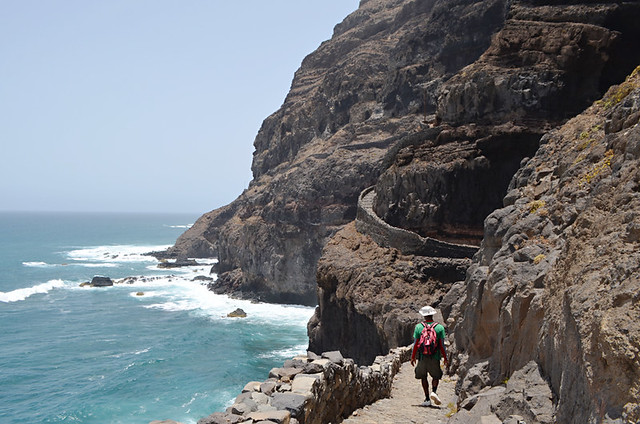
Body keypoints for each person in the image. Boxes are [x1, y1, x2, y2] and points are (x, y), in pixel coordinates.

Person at [410, 305, 449, 407]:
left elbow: (416, 343)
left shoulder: (418, 327)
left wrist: (413, 357)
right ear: (432, 315)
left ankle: (427, 399)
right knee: (436, 376)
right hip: (435, 357)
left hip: (422, 357)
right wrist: (445, 358)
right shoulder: (439, 327)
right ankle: (434, 392)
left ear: (423, 315)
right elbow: (442, 345)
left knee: (423, 377)